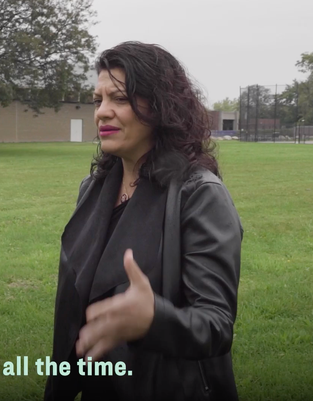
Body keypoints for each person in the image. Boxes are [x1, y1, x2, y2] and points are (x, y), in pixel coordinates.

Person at [45, 41, 243, 401]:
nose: (102, 112)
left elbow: (216, 325)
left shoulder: (199, 195)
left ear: (161, 106)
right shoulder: (92, 190)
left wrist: (155, 319)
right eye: (97, 99)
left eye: (119, 99)